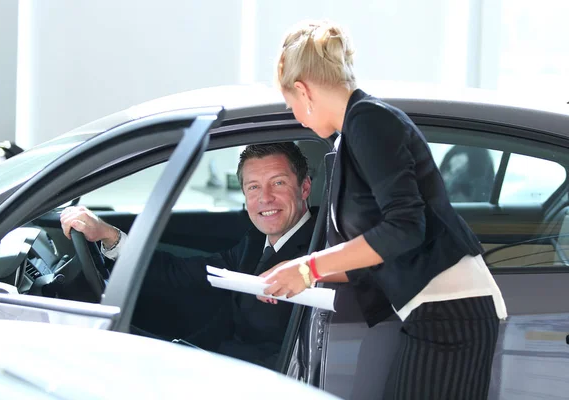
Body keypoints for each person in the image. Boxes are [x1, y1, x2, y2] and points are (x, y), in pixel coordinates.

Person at [259, 20, 507, 399]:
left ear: (303, 90)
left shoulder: (370, 121)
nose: (295, 116)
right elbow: (379, 251)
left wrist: (309, 267)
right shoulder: (354, 132)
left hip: (450, 314)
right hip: (431, 312)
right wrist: (294, 277)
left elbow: (406, 227)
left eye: (291, 105)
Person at [60, 142, 315, 369]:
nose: (265, 198)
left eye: (278, 183)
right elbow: (180, 273)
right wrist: (109, 235)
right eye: (254, 187)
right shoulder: (255, 242)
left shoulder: (319, 254)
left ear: (304, 187)